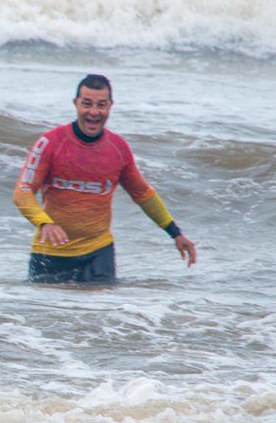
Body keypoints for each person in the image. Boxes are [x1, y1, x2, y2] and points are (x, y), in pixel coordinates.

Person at [12, 74, 197, 283]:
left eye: (101, 105)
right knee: (47, 305)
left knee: (104, 303)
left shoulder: (118, 148)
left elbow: (143, 194)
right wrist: (45, 223)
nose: (94, 112)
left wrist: (176, 234)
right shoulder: (50, 143)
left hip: (98, 253)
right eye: (87, 104)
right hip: (50, 253)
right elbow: (22, 192)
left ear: (110, 106)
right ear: (76, 104)